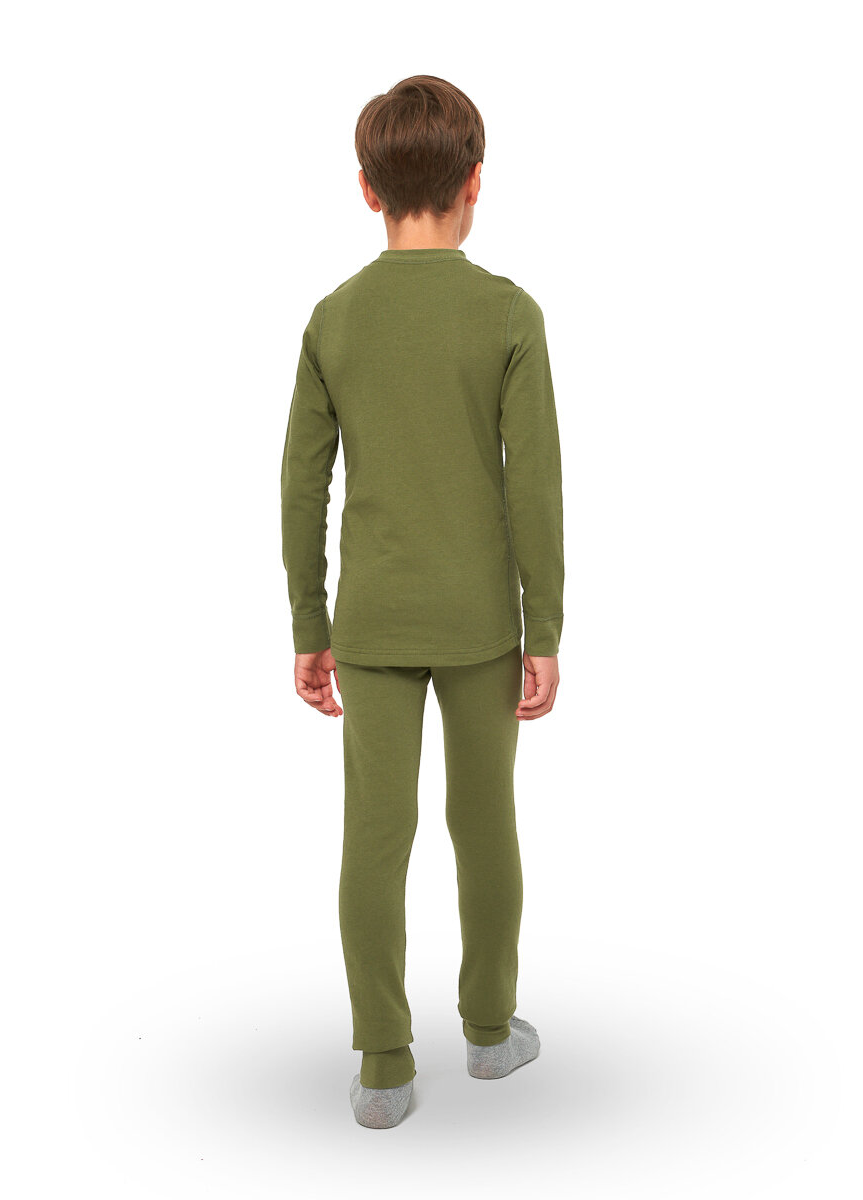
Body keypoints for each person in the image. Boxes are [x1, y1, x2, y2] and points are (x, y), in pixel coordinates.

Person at [280, 74, 564, 1128]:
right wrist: (546, 628)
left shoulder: (334, 319)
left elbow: (302, 486)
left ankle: (384, 1068)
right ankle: (489, 1034)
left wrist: (309, 628)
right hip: (483, 622)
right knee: (485, 824)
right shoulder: (509, 314)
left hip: (371, 623)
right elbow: (535, 485)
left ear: (367, 189)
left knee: (375, 834)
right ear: (475, 183)